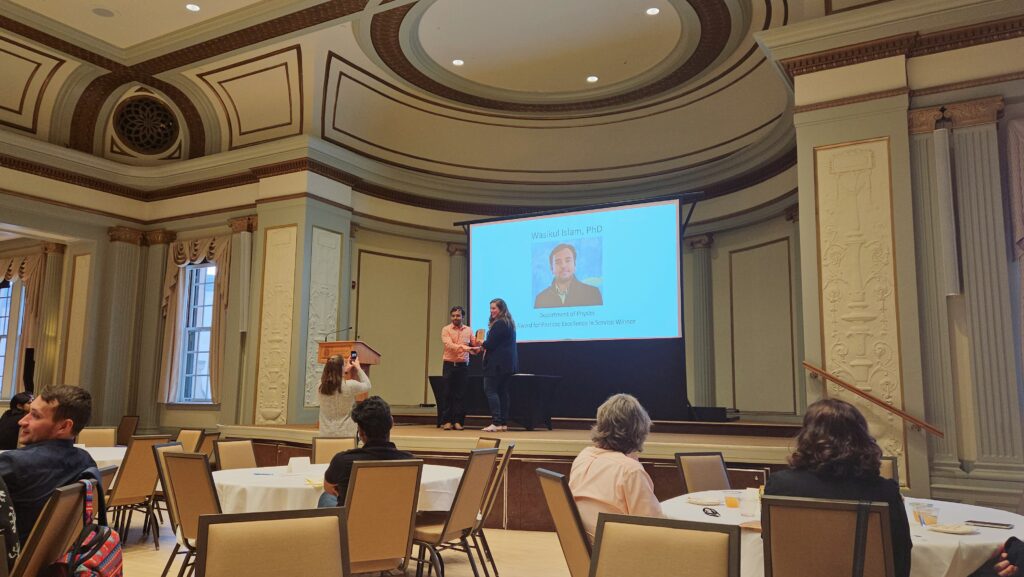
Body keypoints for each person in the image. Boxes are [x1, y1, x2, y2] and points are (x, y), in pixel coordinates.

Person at [764, 398, 912, 577]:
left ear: (806, 437)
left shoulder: (780, 486)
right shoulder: (884, 491)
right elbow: (900, 558)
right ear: (861, 438)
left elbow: (774, 548)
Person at [0, 384, 96, 545]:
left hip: (8, 564)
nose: (22, 421)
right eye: (28, 413)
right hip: (49, 561)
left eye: (35, 416)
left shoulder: (14, 464)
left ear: (64, 426)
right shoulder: (86, 462)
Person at [568, 393, 663, 542]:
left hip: (591, 548)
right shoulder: (630, 471)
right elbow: (654, 528)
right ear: (640, 429)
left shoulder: (584, 457)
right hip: (619, 553)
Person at [317, 396, 414, 507]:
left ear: (360, 432)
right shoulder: (410, 461)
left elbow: (328, 487)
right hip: (393, 521)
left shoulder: (343, 461)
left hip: (350, 523)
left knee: (326, 496)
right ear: (391, 423)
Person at [480, 298, 517, 433]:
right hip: (507, 365)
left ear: (501, 309)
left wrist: (480, 344)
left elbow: (490, 344)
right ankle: (503, 423)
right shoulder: (509, 323)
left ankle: (496, 422)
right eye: (490, 308)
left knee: (490, 390)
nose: (491, 311)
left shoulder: (500, 324)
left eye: (494, 308)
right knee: (502, 392)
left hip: (497, 365)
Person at [317, 354, 371, 438]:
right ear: (341, 368)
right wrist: (358, 367)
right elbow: (367, 385)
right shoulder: (350, 386)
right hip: (347, 435)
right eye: (344, 365)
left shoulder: (319, 387)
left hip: (325, 434)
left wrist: (344, 371)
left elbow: (330, 378)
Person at [534, 243, 603, 308]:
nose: (563, 266)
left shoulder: (593, 293)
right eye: (558, 262)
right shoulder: (540, 299)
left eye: (567, 260)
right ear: (551, 268)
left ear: (575, 265)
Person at [440, 305, 473, 431]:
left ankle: (459, 422)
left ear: (463, 316)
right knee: (448, 393)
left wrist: (478, 345)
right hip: (449, 365)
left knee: (461, 395)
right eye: (453, 315)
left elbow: (473, 343)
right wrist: (464, 348)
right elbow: (449, 345)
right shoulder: (446, 329)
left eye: (458, 315)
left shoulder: (468, 330)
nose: (455, 318)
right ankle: (447, 421)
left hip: (463, 366)